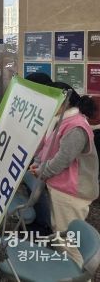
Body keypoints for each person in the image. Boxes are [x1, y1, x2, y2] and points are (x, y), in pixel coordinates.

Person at [31, 83, 99, 261]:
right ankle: (65, 268)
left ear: (64, 102)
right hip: (62, 185)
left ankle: (77, 272)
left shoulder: (76, 126)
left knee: (67, 241)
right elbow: (49, 147)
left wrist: (42, 170)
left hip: (72, 191)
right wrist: (38, 164)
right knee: (61, 234)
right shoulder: (63, 120)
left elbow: (62, 159)